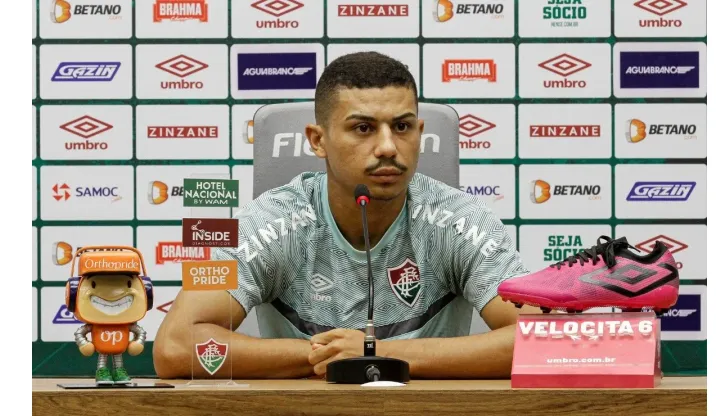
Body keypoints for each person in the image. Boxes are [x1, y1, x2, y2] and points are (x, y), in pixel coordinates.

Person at [153, 51, 537, 380]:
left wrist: (381, 355)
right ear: (318, 140)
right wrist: (329, 358)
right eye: (363, 128)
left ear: (419, 132)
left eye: (402, 127)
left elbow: (541, 338)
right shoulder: (265, 221)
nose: (388, 147)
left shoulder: (462, 219)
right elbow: (173, 346)